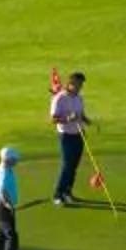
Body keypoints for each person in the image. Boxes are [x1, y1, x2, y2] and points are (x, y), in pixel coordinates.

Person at [49, 70, 91, 206]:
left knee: (74, 166)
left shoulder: (79, 98)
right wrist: (68, 119)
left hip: (79, 134)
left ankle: (68, 192)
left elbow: (81, 114)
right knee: (67, 166)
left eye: (81, 85)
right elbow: (53, 119)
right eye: (78, 85)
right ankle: (58, 194)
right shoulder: (59, 98)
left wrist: (86, 120)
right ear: (71, 84)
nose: (80, 88)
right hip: (66, 135)